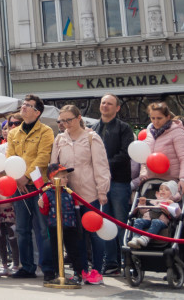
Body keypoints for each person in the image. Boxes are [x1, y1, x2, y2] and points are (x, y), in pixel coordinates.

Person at [51, 104, 109, 282]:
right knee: (75, 236)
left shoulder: (92, 138)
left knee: (94, 233)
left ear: (78, 118)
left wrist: (102, 190)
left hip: (90, 192)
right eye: (62, 121)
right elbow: (54, 165)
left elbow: (101, 165)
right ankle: (80, 270)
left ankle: (97, 270)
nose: (66, 124)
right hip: (68, 194)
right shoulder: (60, 139)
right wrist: (54, 185)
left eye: (69, 120)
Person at [5, 95, 55, 281]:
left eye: (28, 105)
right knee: (22, 229)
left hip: (38, 186)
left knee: (43, 229)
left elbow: (43, 157)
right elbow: (10, 156)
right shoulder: (13, 133)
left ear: (37, 112)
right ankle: (27, 267)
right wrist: (18, 178)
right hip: (19, 186)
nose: (23, 107)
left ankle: (48, 267)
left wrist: (25, 177)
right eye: (23, 104)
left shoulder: (46, 131)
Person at [137, 102, 184, 196]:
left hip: (170, 183)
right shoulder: (150, 131)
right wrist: (143, 174)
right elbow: (145, 157)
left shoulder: (178, 131)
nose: (155, 121)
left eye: (159, 118)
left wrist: (183, 179)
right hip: (150, 182)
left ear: (168, 117)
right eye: (152, 118)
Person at [127, 180, 183, 248]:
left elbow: (178, 215)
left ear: (172, 193)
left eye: (166, 189)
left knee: (156, 222)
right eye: (161, 189)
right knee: (138, 221)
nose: (163, 191)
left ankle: (146, 238)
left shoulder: (171, 203)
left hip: (162, 222)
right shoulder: (153, 201)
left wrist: (172, 204)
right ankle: (135, 238)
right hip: (148, 219)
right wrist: (142, 204)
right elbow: (143, 212)